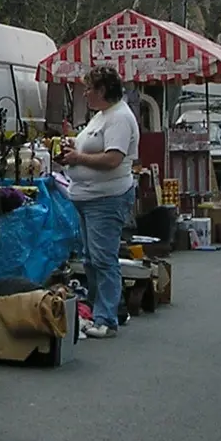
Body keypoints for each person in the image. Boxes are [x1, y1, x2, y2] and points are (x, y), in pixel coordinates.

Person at [59, 65, 140, 339]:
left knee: (103, 259)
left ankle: (106, 320)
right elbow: (92, 148)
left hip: (106, 198)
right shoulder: (101, 116)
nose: (85, 94)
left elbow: (113, 159)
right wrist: (74, 148)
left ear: (103, 90)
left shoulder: (119, 118)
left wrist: (78, 158)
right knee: (91, 259)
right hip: (87, 196)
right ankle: (102, 311)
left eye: (89, 89)